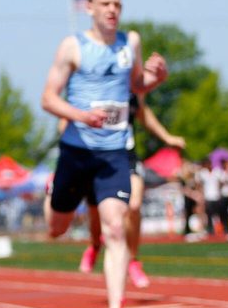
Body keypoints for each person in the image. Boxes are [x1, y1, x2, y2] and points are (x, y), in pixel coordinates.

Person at [41, 0, 167, 308]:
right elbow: (48, 98)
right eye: (106, 4)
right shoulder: (72, 47)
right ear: (90, 7)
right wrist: (81, 116)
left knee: (115, 226)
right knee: (57, 228)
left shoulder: (131, 42)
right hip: (77, 150)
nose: (113, 11)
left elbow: (137, 86)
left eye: (118, 5)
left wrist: (157, 78)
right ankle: (55, 190)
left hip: (114, 150)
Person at [76, 94, 186, 287]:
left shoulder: (129, 88)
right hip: (97, 158)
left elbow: (144, 114)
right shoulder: (91, 84)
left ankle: (133, 260)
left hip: (126, 157)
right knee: (95, 209)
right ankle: (94, 245)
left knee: (134, 205)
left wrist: (167, 137)